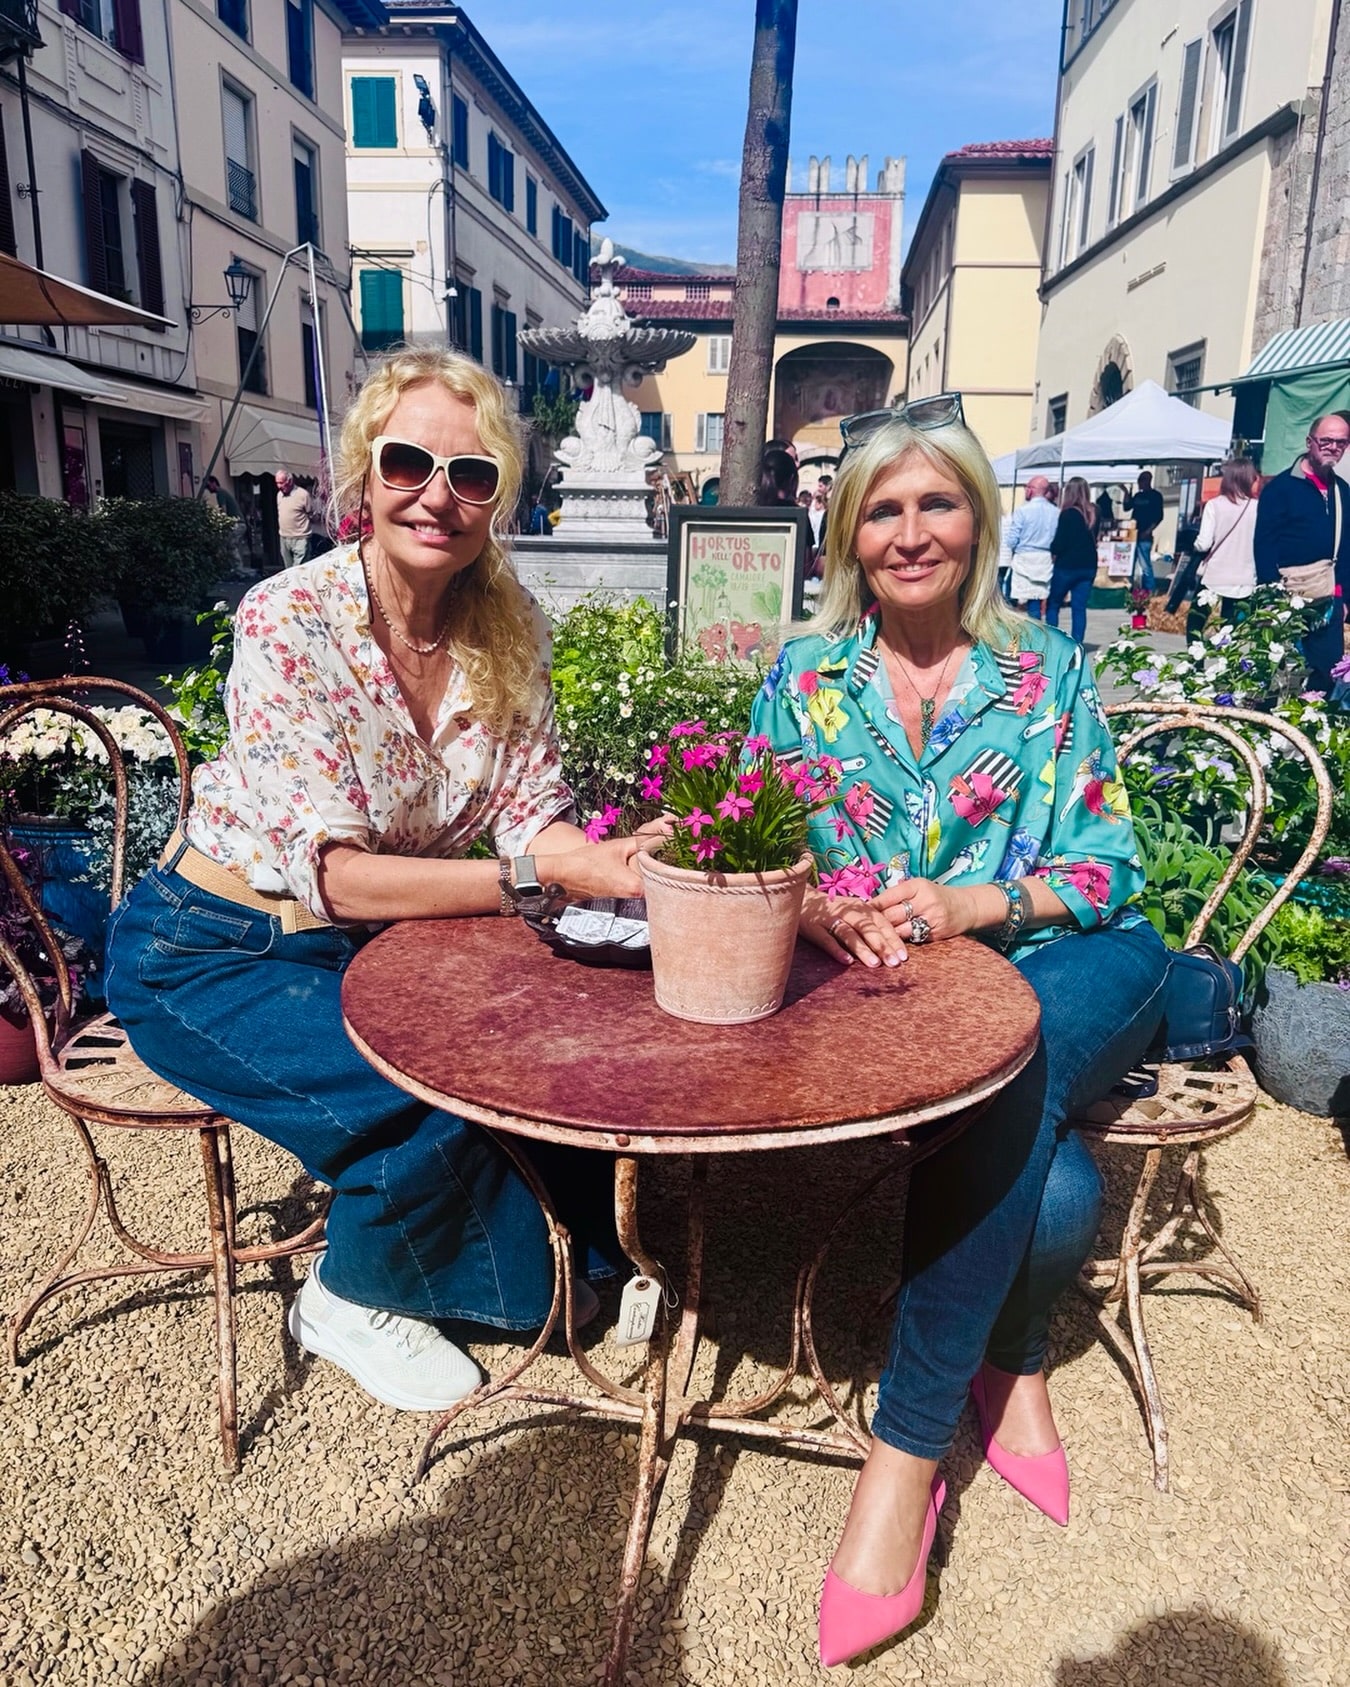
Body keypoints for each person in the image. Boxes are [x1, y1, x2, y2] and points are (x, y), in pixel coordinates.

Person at [104, 348, 646, 1415]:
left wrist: (610, 862)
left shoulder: (510, 628)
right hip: (211, 947)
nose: (438, 496)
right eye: (409, 463)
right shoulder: (288, 618)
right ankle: (352, 1293)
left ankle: (566, 1257)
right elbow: (339, 880)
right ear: (363, 475)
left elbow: (533, 810)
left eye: (472, 475)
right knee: (429, 1097)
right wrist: (542, 873)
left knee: (543, 1059)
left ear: (498, 499)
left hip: (375, 948)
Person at [750, 398, 1168, 1667]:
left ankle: (904, 1457)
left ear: (979, 521)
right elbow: (753, 846)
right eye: (884, 509)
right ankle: (1013, 1352)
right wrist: (818, 907)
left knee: (1015, 1057)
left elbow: (1110, 866)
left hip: (1070, 957)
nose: (912, 531)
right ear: (848, 535)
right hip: (904, 997)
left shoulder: (1048, 672)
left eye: (937, 502)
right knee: (1054, 1197)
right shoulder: (804, 680)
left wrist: (977, 905)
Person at [1254, 412, 1350, 691]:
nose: (1333, 447)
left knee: (1326, 675)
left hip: (1329, 598)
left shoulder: (1342, 491)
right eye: (1326, 441)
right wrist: (1270, 597)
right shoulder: (1281, 488)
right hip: (1287, 596)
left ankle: (1314, 718)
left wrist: (1345, 598)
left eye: (1341, 443)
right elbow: (1264, 545)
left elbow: (1346, 547)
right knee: (1280, 677)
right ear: (1310, 442)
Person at [1185, 458, 1260, 638]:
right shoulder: (1258, 507)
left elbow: (1204, 543)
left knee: (1195, 623)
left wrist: (1193, 544)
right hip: (1245, 578)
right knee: (1230, 631)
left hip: (1215, 576)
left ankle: (1196, 654)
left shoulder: (1214, 505)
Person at [1046, 476, 1098, 645]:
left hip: (1068, 565)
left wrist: (1052, 550)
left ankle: (1053, 641)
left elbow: (1059, 543)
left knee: (1054, 603)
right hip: (1088, 565)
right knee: (1079, 607)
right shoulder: (1094, 513)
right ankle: (1077, 644)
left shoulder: (1067, 514)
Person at [1002, 474, 1058, 618]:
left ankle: (1030, 626)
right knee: (1038, 598)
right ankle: (1037, 624)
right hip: (1045, 557)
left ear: (1031, 489)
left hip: (1024, 556)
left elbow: (1012, 539)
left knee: (1017, 597)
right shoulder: (1056, 512)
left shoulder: (1022, 511)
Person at [1123, 470, 1163, 592]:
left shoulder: (1155, 496)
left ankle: (1149, 590)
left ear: (1148, 481)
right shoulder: (1137, 496)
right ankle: (1128, 588)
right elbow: (1126, 507)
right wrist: (1126, 492)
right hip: (1133, 534)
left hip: (1145, 536)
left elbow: (1159, 516)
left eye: (1141, 480)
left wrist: (1149, 531)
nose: (1139, 483)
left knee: (1145, 565)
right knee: (1130, 564)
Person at [275, 470, 320, 569]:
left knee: (298, 570)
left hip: (300, 538)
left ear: (290, 481)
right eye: (277, 483)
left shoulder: (303, 495)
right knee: (288, 570)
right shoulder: (279, 495)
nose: (279, 486)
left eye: (281, 483)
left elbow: (312, 515)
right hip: (284, 538)